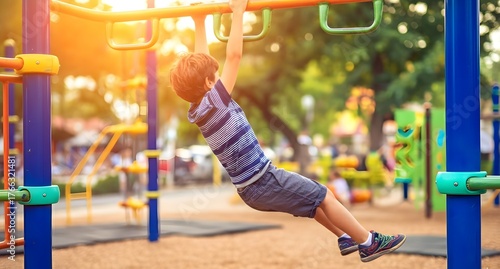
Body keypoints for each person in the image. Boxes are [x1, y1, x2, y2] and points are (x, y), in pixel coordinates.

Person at [169, 0, 406, 262]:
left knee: (314, 205)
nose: (219, 74)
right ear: (208, 83)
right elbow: (234, 56)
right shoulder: (216, 100)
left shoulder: (198, 108)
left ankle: (345, 236)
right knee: (324, 195)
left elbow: (201, 63)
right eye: (214, 74)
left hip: (252, 187)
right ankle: (369, 242)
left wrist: (199, 23)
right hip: (263, 180)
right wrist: (237, 14)